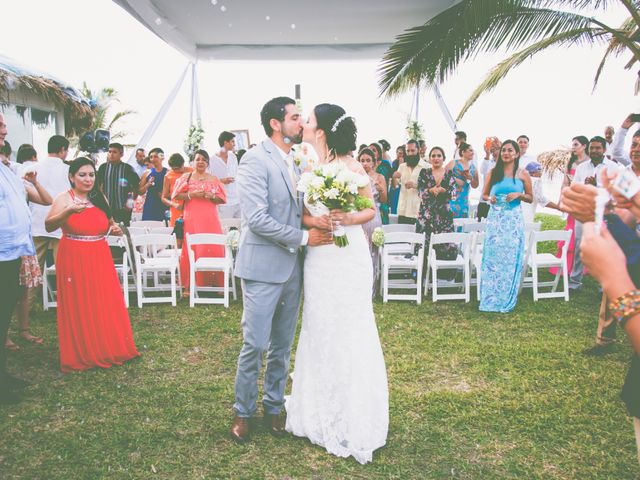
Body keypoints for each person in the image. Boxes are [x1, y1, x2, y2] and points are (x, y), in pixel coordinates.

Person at [285, 103, 388, 464]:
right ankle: (315, 409)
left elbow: (369, 210)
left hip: (348, 257)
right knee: (320, 326)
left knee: (350, 327)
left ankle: (354, 411)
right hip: (320, 256)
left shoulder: (352, 165)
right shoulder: (310, 168)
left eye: (309, 120)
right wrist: (317, 222)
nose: (305, 125)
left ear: (323, 130)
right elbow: (301, 214)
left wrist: (345, 217)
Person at [231, 96, 333, 444]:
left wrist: (316, 219)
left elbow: (293, 208)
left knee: (282, 346)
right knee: (255, 345)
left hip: (293, 270)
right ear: (276, 123)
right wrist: (305, 236)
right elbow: (257, 220)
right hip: (262, 266)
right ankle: (242, 411)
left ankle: (273, 407)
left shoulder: (295, 160)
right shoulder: (254, 160)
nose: (301, 122)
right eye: (294, 117)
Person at [44, 158, 139, 373]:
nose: (88, 179)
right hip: (74, 255)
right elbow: (49, 225)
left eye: (91, 175)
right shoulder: (63, 198)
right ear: (71, 177)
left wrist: (114, 228)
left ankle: (106, 346)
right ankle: (83, 350)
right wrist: (68, 212)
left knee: (103, 300)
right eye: (82, 175)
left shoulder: (98, 197)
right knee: (80, 300)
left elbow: (109, 222)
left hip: (100, 254)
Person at [0, 113, 35, 404]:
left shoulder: (6, 168)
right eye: (0, 125)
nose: (5, 129)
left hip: (11, 252)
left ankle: (4, 375)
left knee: (5, 311)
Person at [480, 140, 532, 313]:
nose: (506, 153)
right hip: (496, 219)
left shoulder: (523, 174)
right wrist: (490, 199)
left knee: (509, 257)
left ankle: (506, 295)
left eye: (510, 150)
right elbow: (484, 194)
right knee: (493, 257)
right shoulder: (493, 172)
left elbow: (531, 197)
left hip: (513, 221)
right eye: (504, 150)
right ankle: (490, 296)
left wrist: (519, 194)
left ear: (517, 154)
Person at [172, 149, 226, 294]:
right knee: (193, 246)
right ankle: (191, 284)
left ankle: (217, 283)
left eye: (204, 159)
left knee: (212, 245)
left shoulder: (214, 179)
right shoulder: (186, 177)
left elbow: (222, 199)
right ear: (193, 162)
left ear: (208, 163)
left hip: (210, 218)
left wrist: (211, 196)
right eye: (198, 159)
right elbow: (176, 195)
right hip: (192, 218)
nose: (201, 161)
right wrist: (191, 194)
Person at [568, 135, 618, 290]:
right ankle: (575, 281)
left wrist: (596, 186)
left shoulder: (613, 167)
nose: (594, 151)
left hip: (605, 213)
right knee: (580, 246)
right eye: (592, 148)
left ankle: (603, 284)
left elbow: (615, 193)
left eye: (598, 148)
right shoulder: (582, 167)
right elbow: (574, 188)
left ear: (604, 149)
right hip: (583, 212)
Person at [30, 135, 70, 306]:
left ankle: (27, 304)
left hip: (37, 222)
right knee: (64, 269)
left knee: (33, 269)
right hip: (60, 223)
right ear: (62, 150)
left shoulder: (32, 168)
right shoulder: (68, 170)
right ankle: (66, 303)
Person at [550, 136, 591, 277]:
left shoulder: (590, 163)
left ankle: (581, 268)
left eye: (576, 144)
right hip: (571, 201)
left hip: (584, 202)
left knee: (582, 234)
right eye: (572, 145)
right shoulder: (571, 162)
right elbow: (564, 183)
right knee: (570, 230)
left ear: (584, 146)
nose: (573, 147)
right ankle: (565, 266)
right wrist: (561, 200)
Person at [417, 147, 457, 270]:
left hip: (444, 217)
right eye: (433, 156)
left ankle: (442, 277)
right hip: (426, 215)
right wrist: (430, 190)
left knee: (444, 244)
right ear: (429, 158)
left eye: (439, 155)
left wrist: (444, 190)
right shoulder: (424, 173)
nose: (436, 158)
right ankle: (423, 278)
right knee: (424, 246)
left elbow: (454, 194)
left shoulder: (449, 174)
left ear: (443, 159)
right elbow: (420, 192)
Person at [358, 148, 385, 293]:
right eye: (362, 160)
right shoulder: (355, 177)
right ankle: (360, 287)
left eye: (368, 160)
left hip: (374, 216)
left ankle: (372, 288)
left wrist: (381, 190)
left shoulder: (379, 177)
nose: (365, 163)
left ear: (374, 163)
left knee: (373, 252)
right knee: (361, 250)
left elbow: (384, 200)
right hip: (359, 216)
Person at [96, 143, 140, 226]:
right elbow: (98, 186)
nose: (111, 154)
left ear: (121, 154)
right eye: (109, 152)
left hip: (123, 209)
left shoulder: (128, 169)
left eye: (114, 152)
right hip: (107, 208)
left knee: (123, 232)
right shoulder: (103, 168)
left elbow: (136, 187)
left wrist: (130, 203)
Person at [208, 131, 240, 219]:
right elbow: (207, 181)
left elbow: (237, 175)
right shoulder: (211, 160)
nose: (234, 144)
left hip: (237, 200)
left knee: (241, 227)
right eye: (232, 141)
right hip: (223, 202)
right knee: (226, 228)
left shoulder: (233, 157)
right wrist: (221, 181)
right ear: (225, 143)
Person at [393, 139, 425, 224]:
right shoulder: (402, 166)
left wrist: (416, 185)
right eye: (408, 151)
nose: (410, 153)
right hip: (403, 210)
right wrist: (394, 177)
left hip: (418, 211)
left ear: (419, 150)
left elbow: (430, 188)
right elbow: (395, 186)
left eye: (412, 150)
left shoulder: (426, 167)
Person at [447, 142, 479, 218]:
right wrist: (455, 180)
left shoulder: (473, 168)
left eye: (473, 151)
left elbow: (475, 186)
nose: (473, 153)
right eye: (470, 150)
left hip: (464, 202)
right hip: (451, 200)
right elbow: (443, 175)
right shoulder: (454, 163)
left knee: (463, 225)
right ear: (463, 152)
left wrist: (470, 178)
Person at [161, 153, 192, 228]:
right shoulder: (168, 176)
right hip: (177, 209)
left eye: (178, 168)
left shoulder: (192, 171)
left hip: (191, 207)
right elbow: (163, 198)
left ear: (183, 164)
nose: (176, 171)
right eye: (173, 169)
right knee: (178, 234)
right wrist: (174, 204)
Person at [139, 147, 168, 221]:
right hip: (150, 205)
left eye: (155, 156)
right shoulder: (146, 173)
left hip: (164, 205)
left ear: (162, 157)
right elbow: (140, 192)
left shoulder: (168, 173)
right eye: (151, 157)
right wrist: (147, 184)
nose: (153, 159)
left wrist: (165, 194)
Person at [478, 137, 501, 221]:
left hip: (497, 203)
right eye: (492, 149)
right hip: (484, 201)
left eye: (496, 148)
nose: (493, 151)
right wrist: (487, 154)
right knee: (480, 228)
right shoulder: (488, 161)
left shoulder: (505, 164)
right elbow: (482, 170)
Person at [389, 145, 405, 214]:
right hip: (394, 187)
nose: (398, 155)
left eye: (401, 153)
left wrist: (401, 164)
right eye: (397, 153)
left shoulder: (406, 164)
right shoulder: (394, 162)